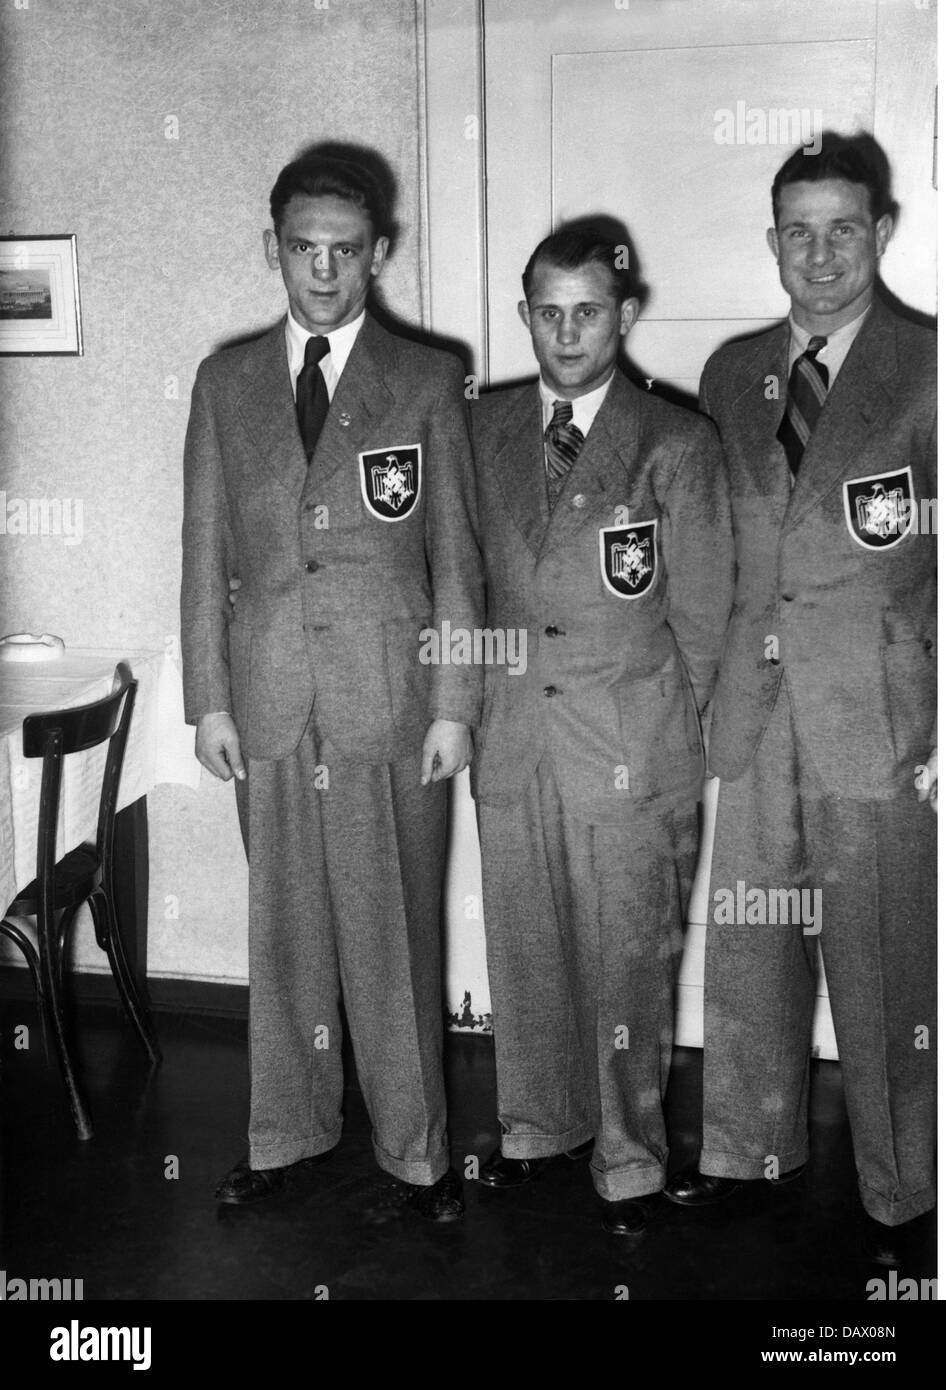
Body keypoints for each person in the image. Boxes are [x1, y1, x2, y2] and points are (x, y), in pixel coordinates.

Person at [180, 148, 483, 1221]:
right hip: (267, 700)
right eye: (303, 248)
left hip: (390, 703)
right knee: (285, 932)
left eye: (345, 251)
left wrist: (455, 703)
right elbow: (203, 550)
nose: (323, 270)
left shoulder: (427, 377)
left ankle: (415, 1150)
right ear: (274, 248)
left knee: (393, 931)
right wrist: (209, 700)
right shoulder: (225, 381)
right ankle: (288, 1131)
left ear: (379, 253)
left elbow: (456, 559)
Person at [663, 133, 936, 1268]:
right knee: (751, 946)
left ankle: (903, 1187)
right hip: (753, 706)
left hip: (878, 714)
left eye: (842, 228)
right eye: (796, 231)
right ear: (770, 240)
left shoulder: (928, 365)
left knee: (880, 959)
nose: (818, 254)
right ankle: (747, 1155)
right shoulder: (733, 373)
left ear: (880, 231)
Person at [470, 223, 734, 1235]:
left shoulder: (676, 441)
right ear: (525, 313)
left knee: (626, 956)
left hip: (629, 744)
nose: (565, 330)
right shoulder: (485, 429)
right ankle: (538, 1126)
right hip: (515, 736)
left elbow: (704, 622)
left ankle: (628, 1154)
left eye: (587, 310)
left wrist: (672, 740)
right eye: (547, 310)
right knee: (526, 943)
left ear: (624, 315)